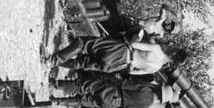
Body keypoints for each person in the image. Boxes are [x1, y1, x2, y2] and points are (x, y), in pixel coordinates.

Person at [51, 34, 186, 76]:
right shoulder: (155, 68)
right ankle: (56, 63)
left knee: (82, 43)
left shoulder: (157, 49)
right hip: (120, 65)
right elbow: (133, 73)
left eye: (175, 47)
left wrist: (138, 36)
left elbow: (134, 45)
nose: (172, 46)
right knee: (82, 64)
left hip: (121, 51)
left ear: (174, 53)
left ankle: (55, 59)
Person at [51, 74, 180, 108]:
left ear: (159, 91)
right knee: (82, 101)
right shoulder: (144, 107)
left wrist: (112, 78)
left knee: (84, 86)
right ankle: (57, 101)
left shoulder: (145, 89)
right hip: (113, 104)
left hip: (113, 91)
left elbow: (124, 84)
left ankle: (56, 85)